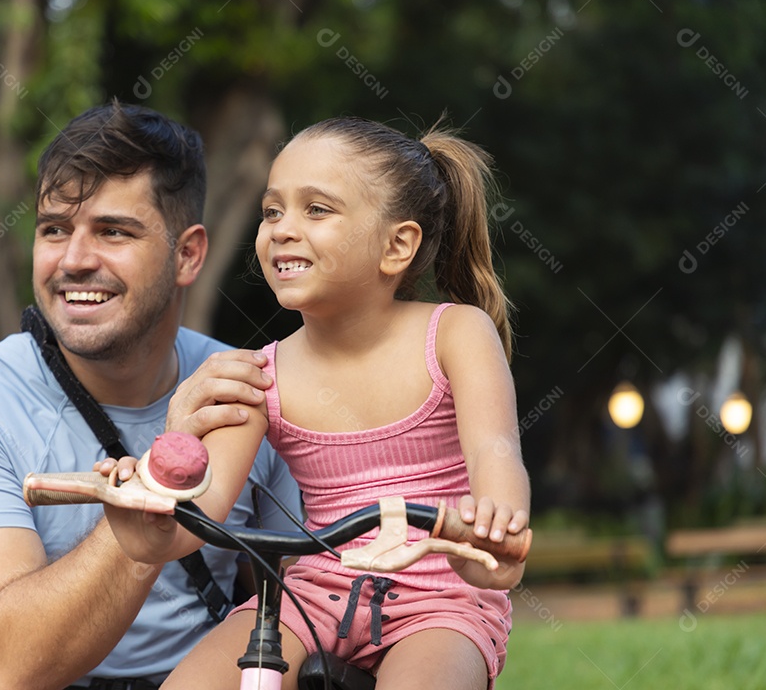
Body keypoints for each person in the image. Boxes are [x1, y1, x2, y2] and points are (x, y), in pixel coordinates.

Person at [103, 116, 532, 689]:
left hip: (442, 595)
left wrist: (494, 525)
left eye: (317, 210)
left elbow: (495, 453)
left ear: (397, 245)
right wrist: (145, 513)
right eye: (272, 211)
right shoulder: (258, 374)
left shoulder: (455, 335)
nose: (281, 229)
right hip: (315, 593)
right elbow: (194, 519)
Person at [0, 101, 301, 690]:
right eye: (54, 229)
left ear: (187, 254)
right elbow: (3, 665)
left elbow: (305, 597)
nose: (75, 260)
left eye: (113, 231)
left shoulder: (251, 392)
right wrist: (167, 467)